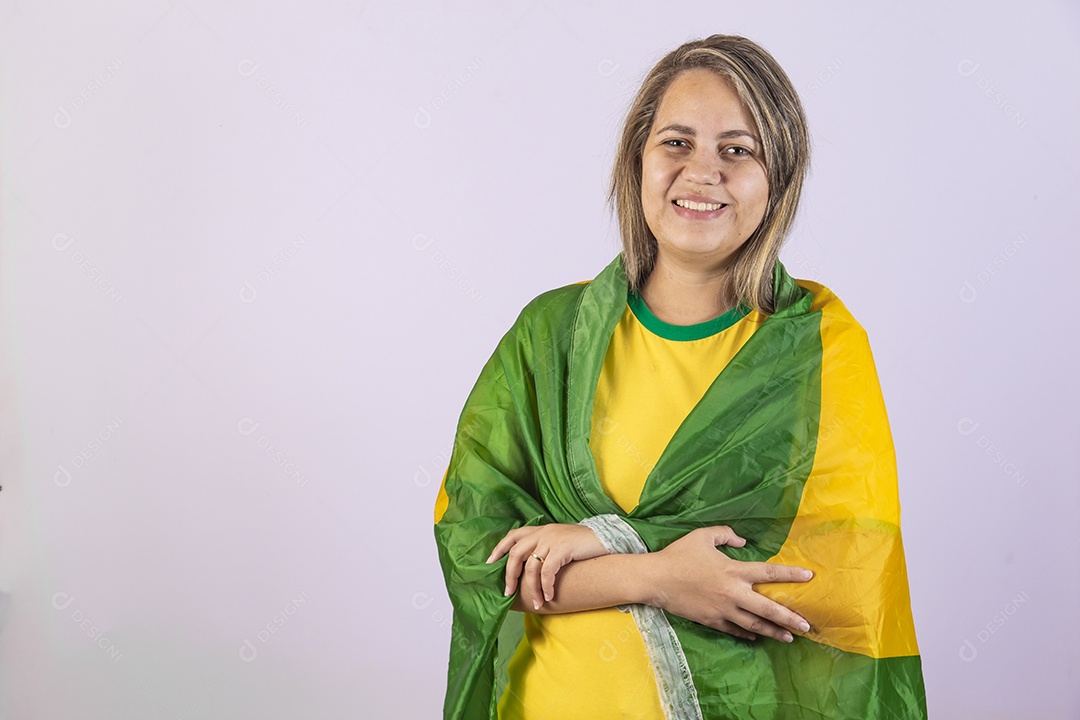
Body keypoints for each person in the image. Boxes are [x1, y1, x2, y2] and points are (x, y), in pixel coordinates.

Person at [434, 34, 927, 720]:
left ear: (777, 178)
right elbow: (482, 553)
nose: (702, 172)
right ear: (636, 159)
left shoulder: (817, 344)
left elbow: (833, 575)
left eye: (738, 149)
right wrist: (660, 574)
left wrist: (591, 540)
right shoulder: (552, 336)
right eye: (676, 143)